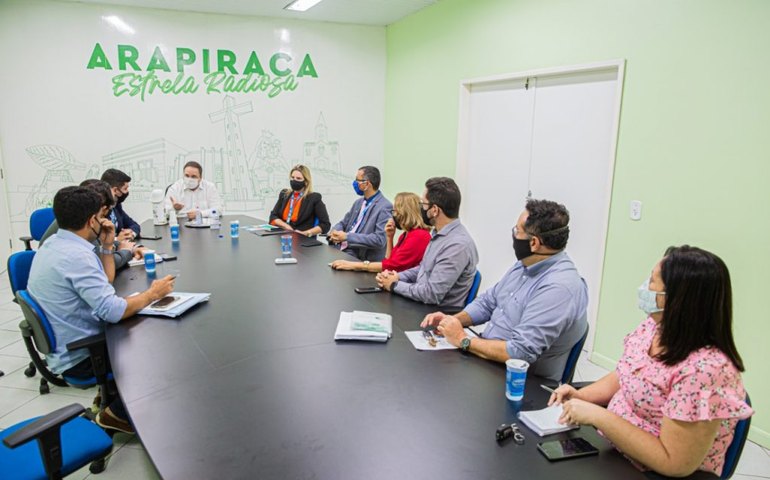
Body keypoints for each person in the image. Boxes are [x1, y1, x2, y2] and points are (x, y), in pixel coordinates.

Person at [549, 246, 753, 477]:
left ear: (677, 299)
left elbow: (674, 463)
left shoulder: (706, 372)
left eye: (653, 281)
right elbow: (627, 374)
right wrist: (581, 396)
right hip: (613, 449)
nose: (645, 286)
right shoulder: (655, 327)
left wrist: (599, 416)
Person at [28, 186, 176, 434]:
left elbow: (106, 280)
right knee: (163, 352)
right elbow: (113, 311)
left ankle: (110, 395)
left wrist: (107, 245)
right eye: (101, 216)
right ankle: (116, 414)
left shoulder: (54, 244)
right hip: (82, 356)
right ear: (91, 221)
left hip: (68, 345)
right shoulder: (77, 256)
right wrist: (153, 294)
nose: (105, 221)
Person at [420, 199, 588, 381]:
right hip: (487, 359)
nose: (514, 235)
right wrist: (453, 320)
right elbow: (488, 302)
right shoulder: (525, 265)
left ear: (534, 243)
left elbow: (520, 352)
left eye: (517, 231)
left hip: (520, 381)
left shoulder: (558, 288)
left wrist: (463, 339)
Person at [376, 177, 478, 310]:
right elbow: (423, 268)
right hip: (421, 304)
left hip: (436, 313)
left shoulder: (457, 245)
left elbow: (431, 294)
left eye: (423, 204)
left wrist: (395, 285)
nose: (420, 209)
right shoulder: (439, 235)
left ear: (434, 210)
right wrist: (396, 276)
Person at [39, 179, 148, 281]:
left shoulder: (74, 221)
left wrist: (131, 247)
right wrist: (126, 251)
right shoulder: (80, 228)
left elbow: (102, 243)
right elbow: (104, 263)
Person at [330, 192, 430, 273]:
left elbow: (392, 266)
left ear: (406, 213)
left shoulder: (419, 236)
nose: (393, 215)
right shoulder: (406, 235)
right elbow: (390, 260)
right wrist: (389, 238)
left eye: (395, 211)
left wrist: (353, 265)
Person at [328, 166, 392, 261]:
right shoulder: (358, 202)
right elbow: (343, 223)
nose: (355, 183)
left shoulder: (385, 206)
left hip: (361, 257)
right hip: (343, 249)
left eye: (357, 180)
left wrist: (347, 237)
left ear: (367, 184)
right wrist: (335, 231)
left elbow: (379, 240)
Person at [268, 164, 331, 236]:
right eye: (292, 177)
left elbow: (325, 224)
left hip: (302, 237)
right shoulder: (284, 194)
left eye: (298, 178)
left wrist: (307, 233)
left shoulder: (314, 198)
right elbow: (273, 216)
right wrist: (285, 226)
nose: (294, 180)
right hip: (282, 234)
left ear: (306, 182)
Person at [101, 168, 140, 240]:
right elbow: (96, 242)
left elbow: (134, 225)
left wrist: (131, 233)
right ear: (115, 190)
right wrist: (117, 240)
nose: (127, 192)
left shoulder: (116, 205)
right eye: (125, 189)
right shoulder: (99, 209)